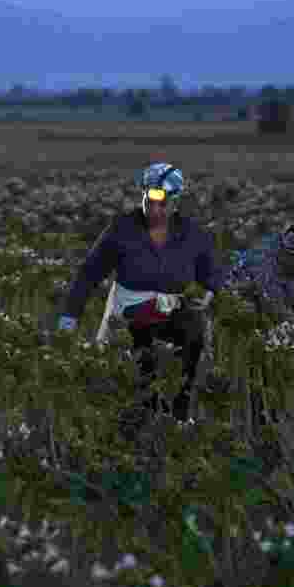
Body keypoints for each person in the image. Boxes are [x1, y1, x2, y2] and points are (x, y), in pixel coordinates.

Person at [56, 161, 224, 422]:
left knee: (192, 339)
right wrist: (69, 318)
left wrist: (209, 292)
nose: (153, 206)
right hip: (130, 315)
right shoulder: (122, 228)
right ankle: (140, 420)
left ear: (177, 201)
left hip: (174, 314)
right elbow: (89, 273)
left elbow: (211, 272)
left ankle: (180, 414)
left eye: (161, 200)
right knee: (139, 378)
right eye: (148, 196)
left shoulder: (192, 233)